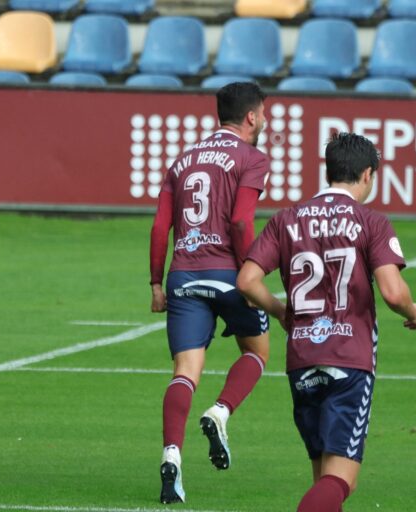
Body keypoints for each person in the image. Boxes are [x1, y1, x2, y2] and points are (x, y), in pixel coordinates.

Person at [236, 132, 416, 512]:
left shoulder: (286, 219)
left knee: (323, 477)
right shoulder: (370, 221)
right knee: (341, 480)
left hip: (302, 358)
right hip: (348, 359)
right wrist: (414, 311)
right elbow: (392, 292)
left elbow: (246, 282)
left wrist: (279, 310)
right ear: (368, 174)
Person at [149, 81, 272, 504]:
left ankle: (172, 457)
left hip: (183, 275)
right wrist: (249, 273)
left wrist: (154, 282)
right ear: (252, 116)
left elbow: (159, 227)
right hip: (228, 272)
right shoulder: (252, 157)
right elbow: (241, 221)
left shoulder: (183, 159)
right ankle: (220, 411)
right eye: (263, 114)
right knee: (256, 352)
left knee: (184, 371)